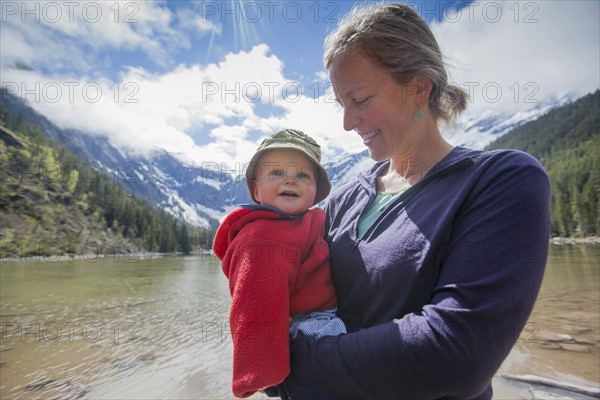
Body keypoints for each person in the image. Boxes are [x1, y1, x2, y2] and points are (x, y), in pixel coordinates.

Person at [280, 3, 552, 400]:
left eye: (361, 99)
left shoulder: (502, 180)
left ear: (419, 88)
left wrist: (287, 360)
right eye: (342, 104)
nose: (347, 122)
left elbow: (456, 353)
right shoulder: (343, 199)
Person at [213, 129, 346, 398]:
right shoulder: (263, 238)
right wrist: (260, 372)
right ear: (256, 190)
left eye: (303, 176)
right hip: (308, 325)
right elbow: (255, 303)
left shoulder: (305, 220)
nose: (290, 180)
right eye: (276, 173)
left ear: (315, 192)